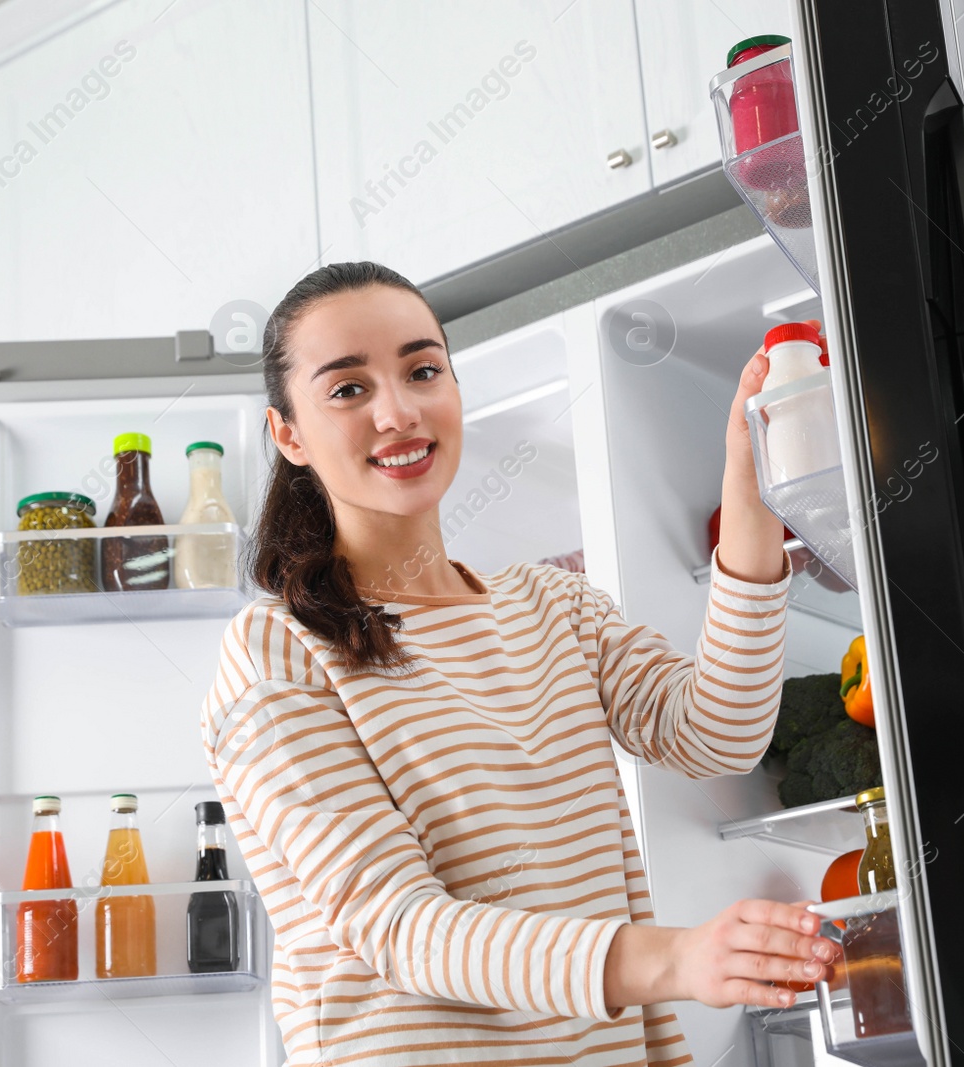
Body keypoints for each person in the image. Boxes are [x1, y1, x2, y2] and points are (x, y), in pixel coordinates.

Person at [201, 262, 839, 1065]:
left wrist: (747, 490)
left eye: (423, 370)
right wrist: (676, 959)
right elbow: (401, 926)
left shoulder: (551, 605)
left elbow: (717, 733)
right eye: (348, 389)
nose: (398, 411)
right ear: (289, 434)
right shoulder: (277, 650)